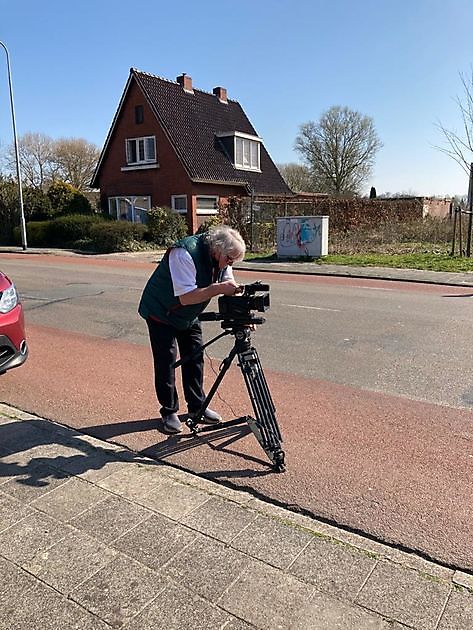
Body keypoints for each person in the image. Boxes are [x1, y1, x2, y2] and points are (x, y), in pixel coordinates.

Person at [138, 224, 246, 434]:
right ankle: (169, 411)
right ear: (217, 249)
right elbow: (186, 297)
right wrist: (217, 289)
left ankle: (198, 407)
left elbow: (226, 278)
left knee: (195, 358)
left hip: (188, 314)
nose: (230, 263)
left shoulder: (222, 255)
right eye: (229, 259)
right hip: (161, 311)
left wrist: (235, 292)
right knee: (166, 361)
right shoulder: (184, 253)